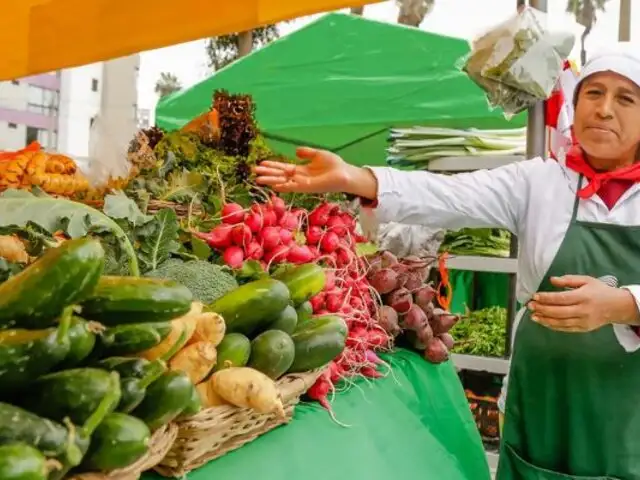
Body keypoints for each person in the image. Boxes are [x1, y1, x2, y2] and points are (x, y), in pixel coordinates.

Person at [255, 46, 640, 479]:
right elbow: (447, 195)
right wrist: (355, 177)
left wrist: (624, 305)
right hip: (543, 402)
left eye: (625, 99)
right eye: (594, 93)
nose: (604, 110)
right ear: (576, 103)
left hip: (627, 413)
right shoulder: (542, 182)